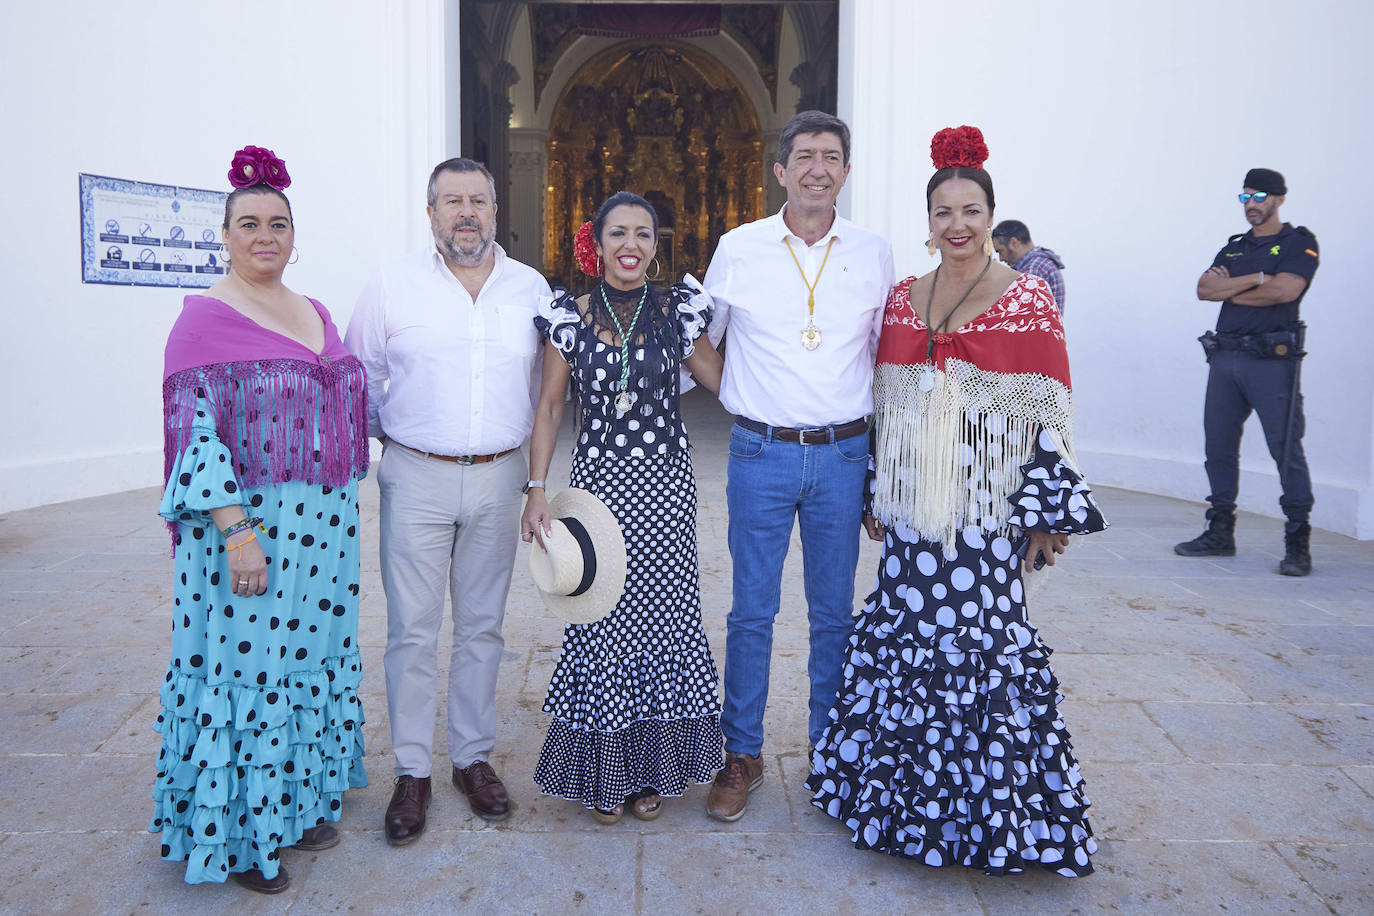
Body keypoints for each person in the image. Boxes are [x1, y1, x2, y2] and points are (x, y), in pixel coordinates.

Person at [807, 126, 1107, 877]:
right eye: (944, 212)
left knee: (986, 649)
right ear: (929, 220)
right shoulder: (905, 299)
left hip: (987, 515)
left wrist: (1043, 513)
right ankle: (902, 805)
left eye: (971, 210)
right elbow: (887, 403)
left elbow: (1051, 410)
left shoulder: (1028, 299)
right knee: (906, 638)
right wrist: (880, 486)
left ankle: (991, 816)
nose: (959, 225)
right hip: (915, 516)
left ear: (991, 214)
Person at [153, 145, 370, 894]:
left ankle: (298, 803)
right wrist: (237, 532)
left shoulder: (312, 310)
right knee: (248, 671)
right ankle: (241, 839)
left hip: (324, 534)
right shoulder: (202, 322)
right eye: (249, 223)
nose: (264, 235)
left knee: (304, 669)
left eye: (277, 223)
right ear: (225, 233)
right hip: (248, 534)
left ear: (292, 233)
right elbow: (197, 438)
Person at [344, 157, 551, 844]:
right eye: (451, 201)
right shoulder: (391, 286)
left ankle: (470, 757)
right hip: (417, 472)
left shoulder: (530, 288)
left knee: (484, 625)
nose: (466, 213)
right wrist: (402, 449)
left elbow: (547, 390)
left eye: (479, 201)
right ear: (430, 212)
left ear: (497, 211)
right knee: (411, 628)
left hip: (499, 474)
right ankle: (411, 770)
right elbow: (363, 375)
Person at [702, 110, 895, 822]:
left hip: (844, 455)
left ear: (846, 171)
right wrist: (746, 400)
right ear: (780, 171)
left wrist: (883, 467)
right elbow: (701, 339)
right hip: (761, 454)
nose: (819, 167)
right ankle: (741, 754)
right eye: (805, 156)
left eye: (832, 156)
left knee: (833, 617)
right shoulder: (740, 247)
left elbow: (886, 362)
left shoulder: (874, 253)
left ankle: (831, 754)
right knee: (751, 612)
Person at [521, 191, 725, 823]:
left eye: (642, 234)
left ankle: (651, 773)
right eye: (618, 233)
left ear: (655, 245)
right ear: (598, 242)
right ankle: (604, 774)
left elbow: (731, 384)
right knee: (601, 619)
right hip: (597, 490)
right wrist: (535, 488)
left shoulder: (677, 314)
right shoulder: (570, 315)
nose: (630, 245)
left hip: (664, 490)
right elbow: (552, 405)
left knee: (664, 622)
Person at [1175, 168, 1319, 576]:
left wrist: (1232, 289)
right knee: (1217, 447)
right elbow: (1205, 290)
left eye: (1259, 196)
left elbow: (1286, 291)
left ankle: (1298, 541)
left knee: (1285, 449)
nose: (1251, 204)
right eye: (1245, 198)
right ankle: (1220, 532)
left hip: (1271, 364)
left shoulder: (1298, 243)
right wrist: (1256, 278)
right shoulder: (1235, 248)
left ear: (1279, 199)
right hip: (1225, 361)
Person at [990, 219, 1066, 313]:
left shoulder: (1034, 268)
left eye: (1001, 251)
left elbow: (1016, 312)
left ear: (1014, 242)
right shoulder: (1039, 263)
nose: (1001, 258)